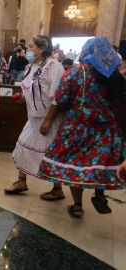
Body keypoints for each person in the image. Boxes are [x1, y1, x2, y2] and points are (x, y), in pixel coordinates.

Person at [39, 36, 126, 218]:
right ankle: (99, 194)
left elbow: (61, 99)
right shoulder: (116, 77)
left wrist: (48, 120)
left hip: (78, 127)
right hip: (106, 129)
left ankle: (77, 205)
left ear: (87, 53)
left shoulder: (76, 73)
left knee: (74, 165)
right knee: (99, 163)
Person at [4, 35, 66, 201]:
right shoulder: (30, 66)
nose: (27, 50)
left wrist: (47, 120)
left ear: (42, 48)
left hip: (49, 119)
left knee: (50, 154)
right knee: (22, 147)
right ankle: (21, 182)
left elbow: (57, 97)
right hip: (33, 118)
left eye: (31, 47)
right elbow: (32, 89)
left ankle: (57, 188)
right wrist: (23, 97)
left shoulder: (54, 67)